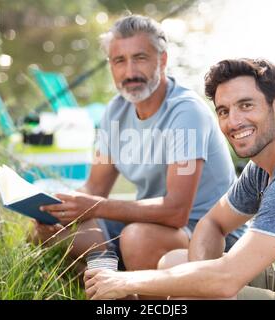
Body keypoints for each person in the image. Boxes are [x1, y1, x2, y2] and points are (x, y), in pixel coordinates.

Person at [84, 58, 275, 300]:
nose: (233, 121)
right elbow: (213, 223)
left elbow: (227, 278)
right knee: (175, 263)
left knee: (194, 290)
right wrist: (199, 275)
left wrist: (126, 281)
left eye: (246, 105)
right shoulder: (262, 166)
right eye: (224, 111)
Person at [29, 15, 241, 272]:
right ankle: (119, 289)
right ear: (111, 66)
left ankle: (134, 289)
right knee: (44, 233)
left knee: (137, 238)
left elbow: (176, 211)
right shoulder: (115, 112)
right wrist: (57, 211)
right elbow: (95, 187)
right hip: (152, 225)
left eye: (140, 58)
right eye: (120, 61)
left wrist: (95, 206)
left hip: (208, 233)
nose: (129, 72)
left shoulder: (186, 112)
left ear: (162, 60)